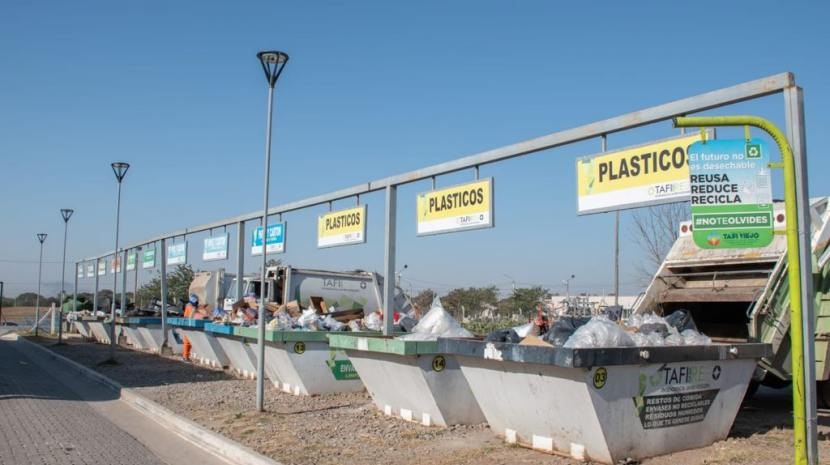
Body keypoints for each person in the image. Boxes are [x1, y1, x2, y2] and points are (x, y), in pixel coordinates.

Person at [182, 293, 199, 360]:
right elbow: (191, 316)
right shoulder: (190, 306)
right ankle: (185, 357)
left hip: (189, 323)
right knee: (187, 341)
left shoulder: (189, 305)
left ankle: (186, 356)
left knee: (188, 341)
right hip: (188, 324)